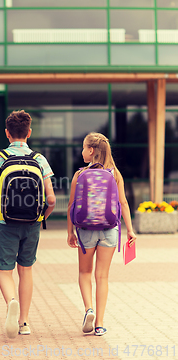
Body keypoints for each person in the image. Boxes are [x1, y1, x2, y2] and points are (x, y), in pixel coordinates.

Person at [0, 110, 56, 338]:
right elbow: (52, 199)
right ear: (29, 132)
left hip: (6, 223)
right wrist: (41, 218)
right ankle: (24, 322)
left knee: (4, 270)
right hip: (33, 223)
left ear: (7, 133)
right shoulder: (39, 159)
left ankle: (11, 301)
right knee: (25, 270)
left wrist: (1, 216)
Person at [67, 132, 136, 336]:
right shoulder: (115, 174)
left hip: (85, 230)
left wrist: (70, 232)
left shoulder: (79, 175)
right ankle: (99, 323)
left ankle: (88, 308)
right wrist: (130, 230)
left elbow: (72, 205)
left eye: (83, 148)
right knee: (102, 276)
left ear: (91, 150)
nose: (81, 152)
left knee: (84, 273)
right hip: (109, 230)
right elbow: (123, 203)